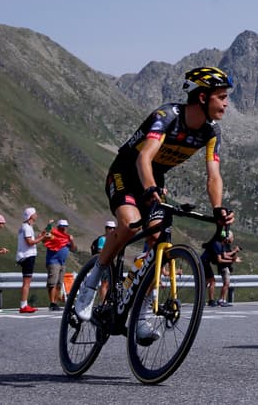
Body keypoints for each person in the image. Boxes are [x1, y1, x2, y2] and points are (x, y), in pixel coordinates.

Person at [75, 66, 236, 344]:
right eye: (221, 96)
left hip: (154, 178)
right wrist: (149, 189)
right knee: (128, 224)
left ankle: (138, 317)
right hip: (126, 173)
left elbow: (214, 175)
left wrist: (218, 209)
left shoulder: (211, 132)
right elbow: (144, 158)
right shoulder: (167, 117)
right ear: (202, 97)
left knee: (159, 245)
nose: (226, 102)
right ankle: (93, 280)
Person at [16, 207, 49, 313]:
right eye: (35, 213)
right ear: (31, 216)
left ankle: (24, 304)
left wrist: (40, 235)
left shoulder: (25, 227)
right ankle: (23, 305)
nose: (37, 215)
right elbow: (30, 242)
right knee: (27, 282)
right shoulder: (26, 227)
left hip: (26, 255)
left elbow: (31, 240)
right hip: (27, 256)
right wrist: (42, 238)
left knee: (27, 281)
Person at [44, 219, 77, 311]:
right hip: (53, 261)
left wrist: (72, 241)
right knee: (52, 282)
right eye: (62, 226)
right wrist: (49, 225)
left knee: (59, 283)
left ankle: (55, 302)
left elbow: (74, 249)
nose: (64, 228)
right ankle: (52, 302)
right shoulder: (53, 236)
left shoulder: (67, 237)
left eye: (65, 226)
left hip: (62, 262)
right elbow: (45, 235)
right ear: (58, 227)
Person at [216, 231, 241, 306]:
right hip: (224, 266)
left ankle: (223, 300)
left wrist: (234, 256)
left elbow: (228, 255)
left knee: (227, 284)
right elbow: (225, 255)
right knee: (226, 283)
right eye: (232, 237)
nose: (232, 239)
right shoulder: (224, 245)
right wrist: (234, 252)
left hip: (226, 266)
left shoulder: (227, 245)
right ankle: (221, 300)